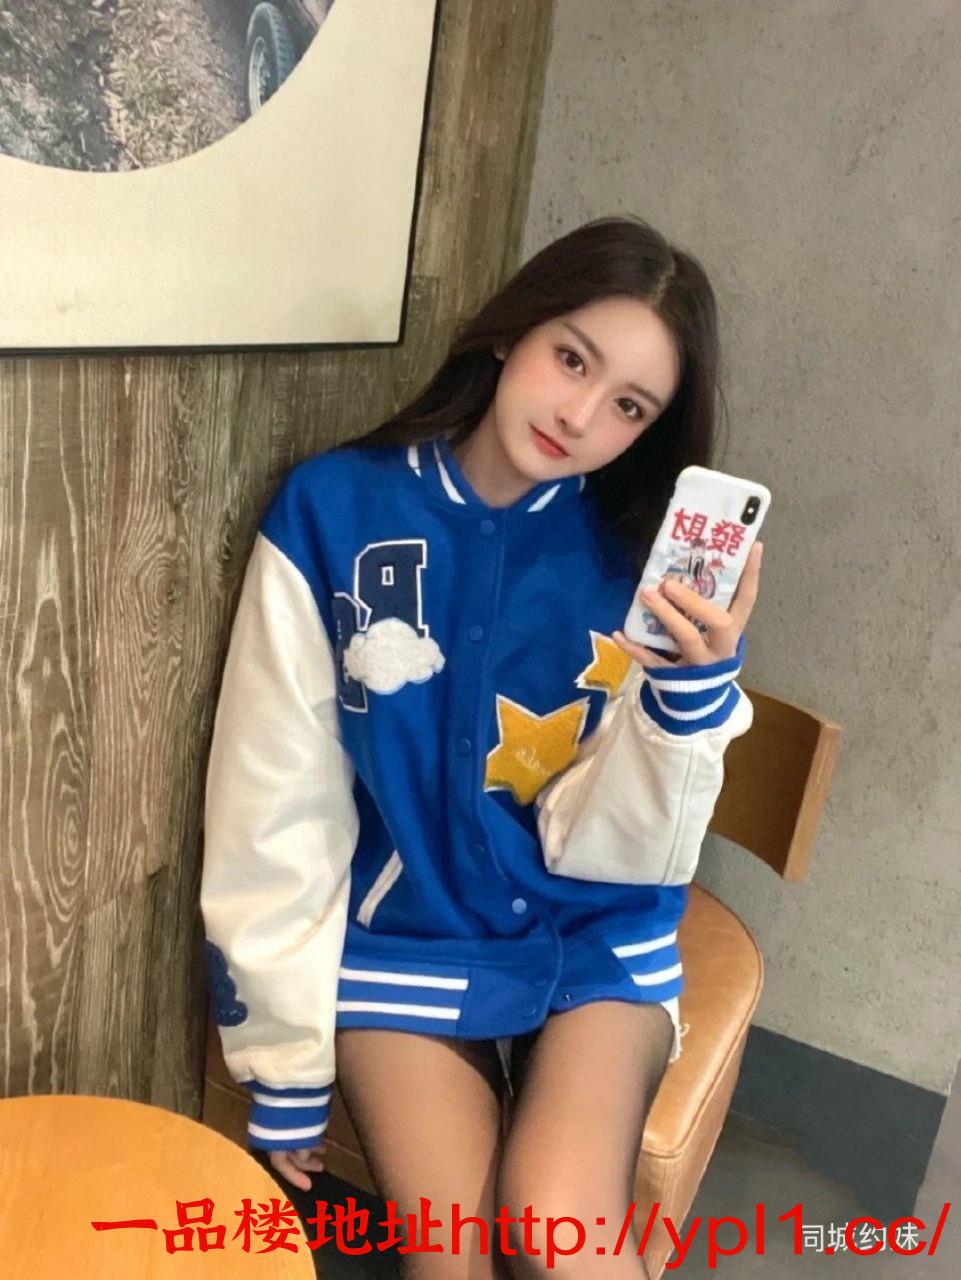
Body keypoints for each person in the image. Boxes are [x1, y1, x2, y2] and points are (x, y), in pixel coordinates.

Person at [200, 214, 763, 1278]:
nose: (579, 415)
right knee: (452, 1260)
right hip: (410, 933)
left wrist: (687, 704)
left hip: (593, 930)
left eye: (629, 405)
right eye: (571, 358)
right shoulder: (332, 509)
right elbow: (272, 792)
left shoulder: (641, 562)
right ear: (511, 331)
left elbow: (629, 848)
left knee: (558, 1240)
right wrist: (283, 1056)